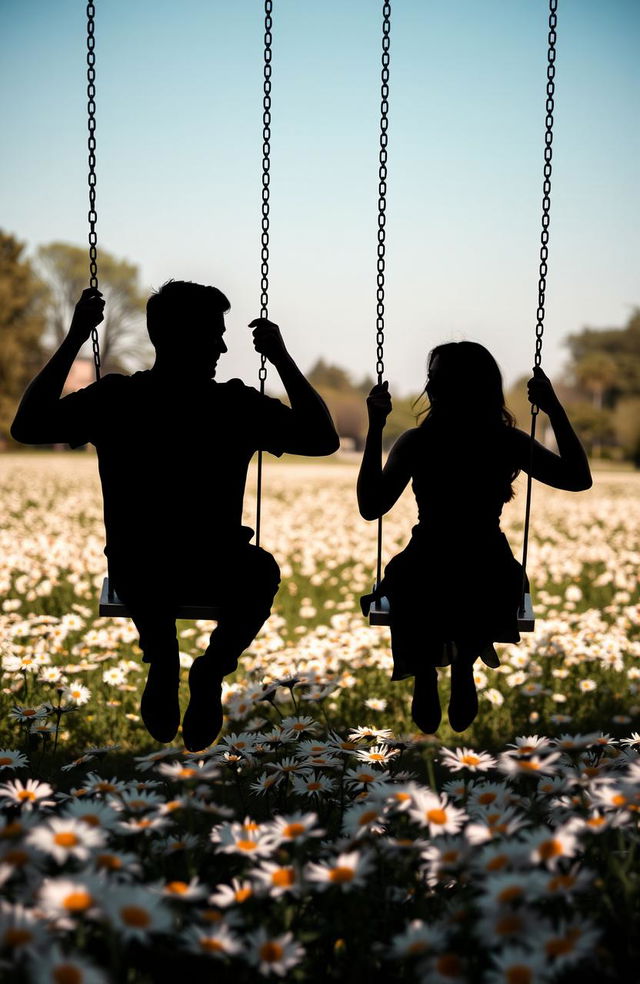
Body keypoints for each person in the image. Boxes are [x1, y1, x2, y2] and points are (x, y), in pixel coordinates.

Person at [12, 281, 340, 750]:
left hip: (142, 568)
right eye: (215, 335)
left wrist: (76, 337)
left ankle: (165, 657)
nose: (224, 346)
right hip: (217, 566)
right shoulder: (234, 405)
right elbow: (321, 437)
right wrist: (281, 357)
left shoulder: (117, 399)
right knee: (260, 572)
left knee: (142, 566)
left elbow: (29, 425)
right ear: (180, 337)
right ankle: (210, 669)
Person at [357, 341, 592, 734]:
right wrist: (554, 409)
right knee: (490, 581)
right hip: (487, 561)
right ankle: (464, 662)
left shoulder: (418, 441)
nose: (430, 385)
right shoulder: (506, 442)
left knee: (409, 582)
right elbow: (577, 477)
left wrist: (376, 426)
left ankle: (425, 670)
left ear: (440, 388)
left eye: (435, 378)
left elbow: (371, 505)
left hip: (427, 558)